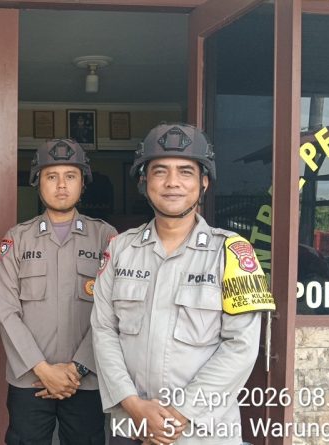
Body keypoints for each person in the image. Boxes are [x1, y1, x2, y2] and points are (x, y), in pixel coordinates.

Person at [91, 123, 275, 445]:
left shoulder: (233, 252)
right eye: (160, 171)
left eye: (186, 172)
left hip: (201, 432)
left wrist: (180, 415)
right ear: (144, 181)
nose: (172, 182)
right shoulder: (120, 250)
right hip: (131, 427)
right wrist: (134, 406)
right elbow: (104, 331)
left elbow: (241, 346)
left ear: (204, 183)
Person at [0, 139, 117, 445]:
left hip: (86, 380)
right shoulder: (17, 239)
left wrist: (77, 367)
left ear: (83, 184)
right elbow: (7, 312)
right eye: (51, 176)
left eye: (70, 176)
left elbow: (112, 311)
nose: (61, 185)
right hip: (30, 379)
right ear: (38, 183)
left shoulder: (106, 237)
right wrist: (42, 369)